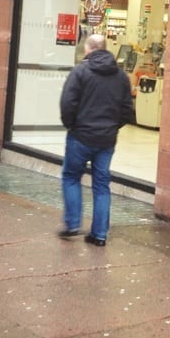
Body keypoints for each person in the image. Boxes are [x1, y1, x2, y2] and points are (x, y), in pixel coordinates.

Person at [58, 33, 135, 246]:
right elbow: (127, 110)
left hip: (80, 136)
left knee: (71, 177)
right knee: (102, 185)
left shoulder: (80, 72)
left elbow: (67, 103)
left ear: (89, 49)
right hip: (106, 141)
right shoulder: (121, 77)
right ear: (106, 48)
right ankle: (99, 234)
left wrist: (72, 125)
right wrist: (111, 128)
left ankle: (73, 224)